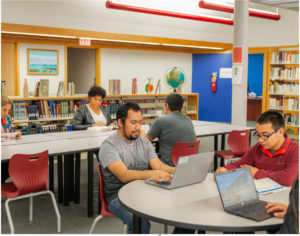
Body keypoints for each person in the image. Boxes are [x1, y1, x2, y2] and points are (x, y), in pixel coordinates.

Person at [98, 103, 175, 234]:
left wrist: (177, 170)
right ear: (120, 123)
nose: (138, 127)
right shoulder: (109, 146)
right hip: (118, 196)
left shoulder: (144, 142)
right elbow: (124, 175)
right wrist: (152, 173)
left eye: (140, 122)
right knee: (139, 221)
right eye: (133, 123)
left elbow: (159, 165)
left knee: (185, 207)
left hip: (145, 190)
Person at [216, 110, 299, 187]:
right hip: (261, 193)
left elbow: (290, 179)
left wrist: (256, 173)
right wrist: (226, 169)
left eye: (265, 135)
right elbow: (240, 164)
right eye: (258, 135)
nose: (260, 140)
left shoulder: (296, 149)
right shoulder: (258, 148)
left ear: (280, 132)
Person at [143, 93, 196, 167]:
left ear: (167, 106)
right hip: (188, 163)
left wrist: (142, 133)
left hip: (169, 165)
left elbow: (145, 141)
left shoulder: (160, 121)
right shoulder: (188, 119)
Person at [1, 96, 22, 184]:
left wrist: (15, 133)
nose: (6, 113)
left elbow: (10, 131)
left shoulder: (8, 118)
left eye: (8, 110)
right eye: (4, 109)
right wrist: (8, 135)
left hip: (6, 151)